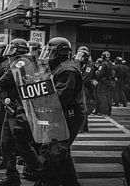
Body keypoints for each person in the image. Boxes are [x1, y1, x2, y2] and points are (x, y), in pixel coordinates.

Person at [0, 38, 42, 186]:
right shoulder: (20, 61)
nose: (8, 54)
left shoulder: (23, 62)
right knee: (5, 142)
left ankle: (42, 174)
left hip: (22, 109)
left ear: (18, 50)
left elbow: (4, 80)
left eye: (12, 50)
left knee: (21, 143)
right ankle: (12, 175)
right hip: (12, 108)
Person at [39, 37, 85, 186]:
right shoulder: (60, 67)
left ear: (61, 53)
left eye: (50, 52)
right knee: (61, 152)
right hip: (63, 113)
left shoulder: (68, 70)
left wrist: (40, 99)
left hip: (69, 115)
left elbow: (61, 96)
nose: (48, 55)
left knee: (56, 150)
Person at [75, 46, 96, 132]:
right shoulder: (81, 63)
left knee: (83, 107)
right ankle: (84, 126)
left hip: (86, 88)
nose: (79, 57)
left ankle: (81, 127)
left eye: (81, 55)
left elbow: (85, 78)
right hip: (83, 88)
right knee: (82, 107)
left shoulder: (89, 65)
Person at [95, 51, 115, 116]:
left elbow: (99, 74)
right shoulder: (111, 64)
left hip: (103, 82)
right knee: (109, 97)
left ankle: (103, 111)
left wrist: (96, 72)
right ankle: (108, 111)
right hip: (110, 82)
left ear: (103, 56)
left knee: (102, 96)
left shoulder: (103, 64)